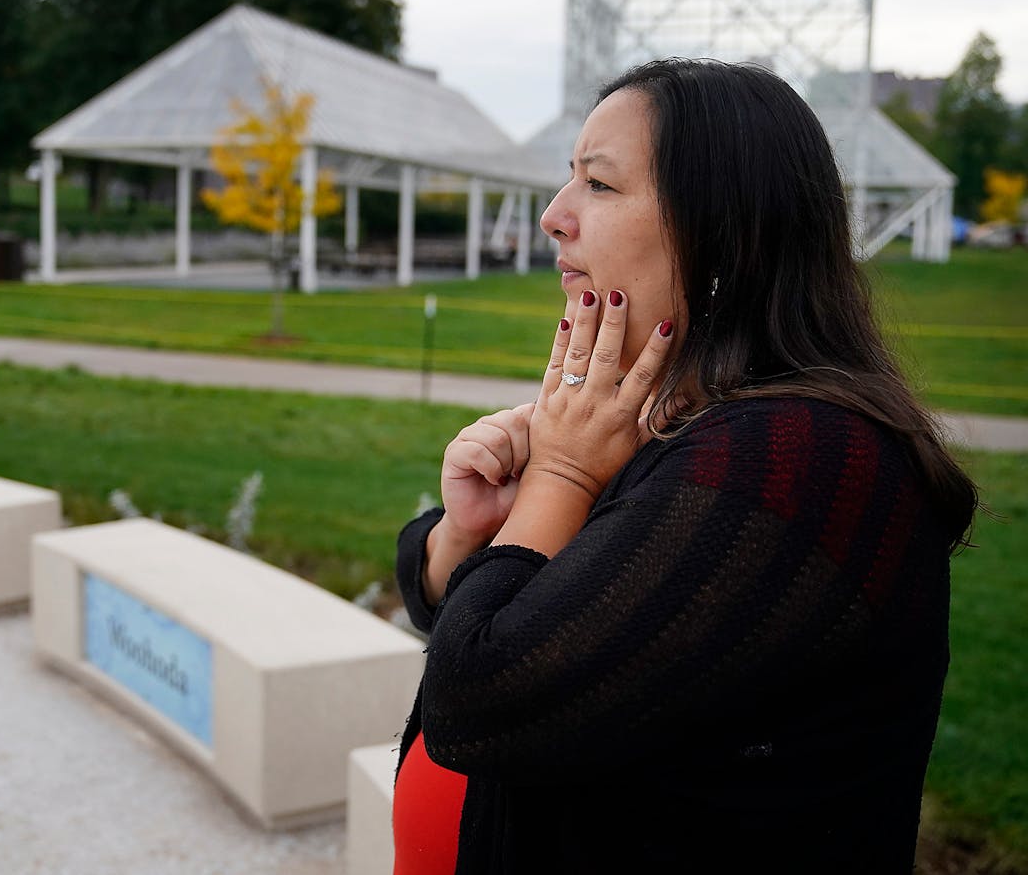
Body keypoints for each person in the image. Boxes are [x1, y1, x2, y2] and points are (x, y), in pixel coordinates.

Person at [391, 58, 978, 874]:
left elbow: (479, 696)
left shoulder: (794, 460)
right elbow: (489, 605)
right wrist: (469, 533)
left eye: (599, 185)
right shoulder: (680, 420)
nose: (555, 218)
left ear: (725, 232)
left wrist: (561, 480)